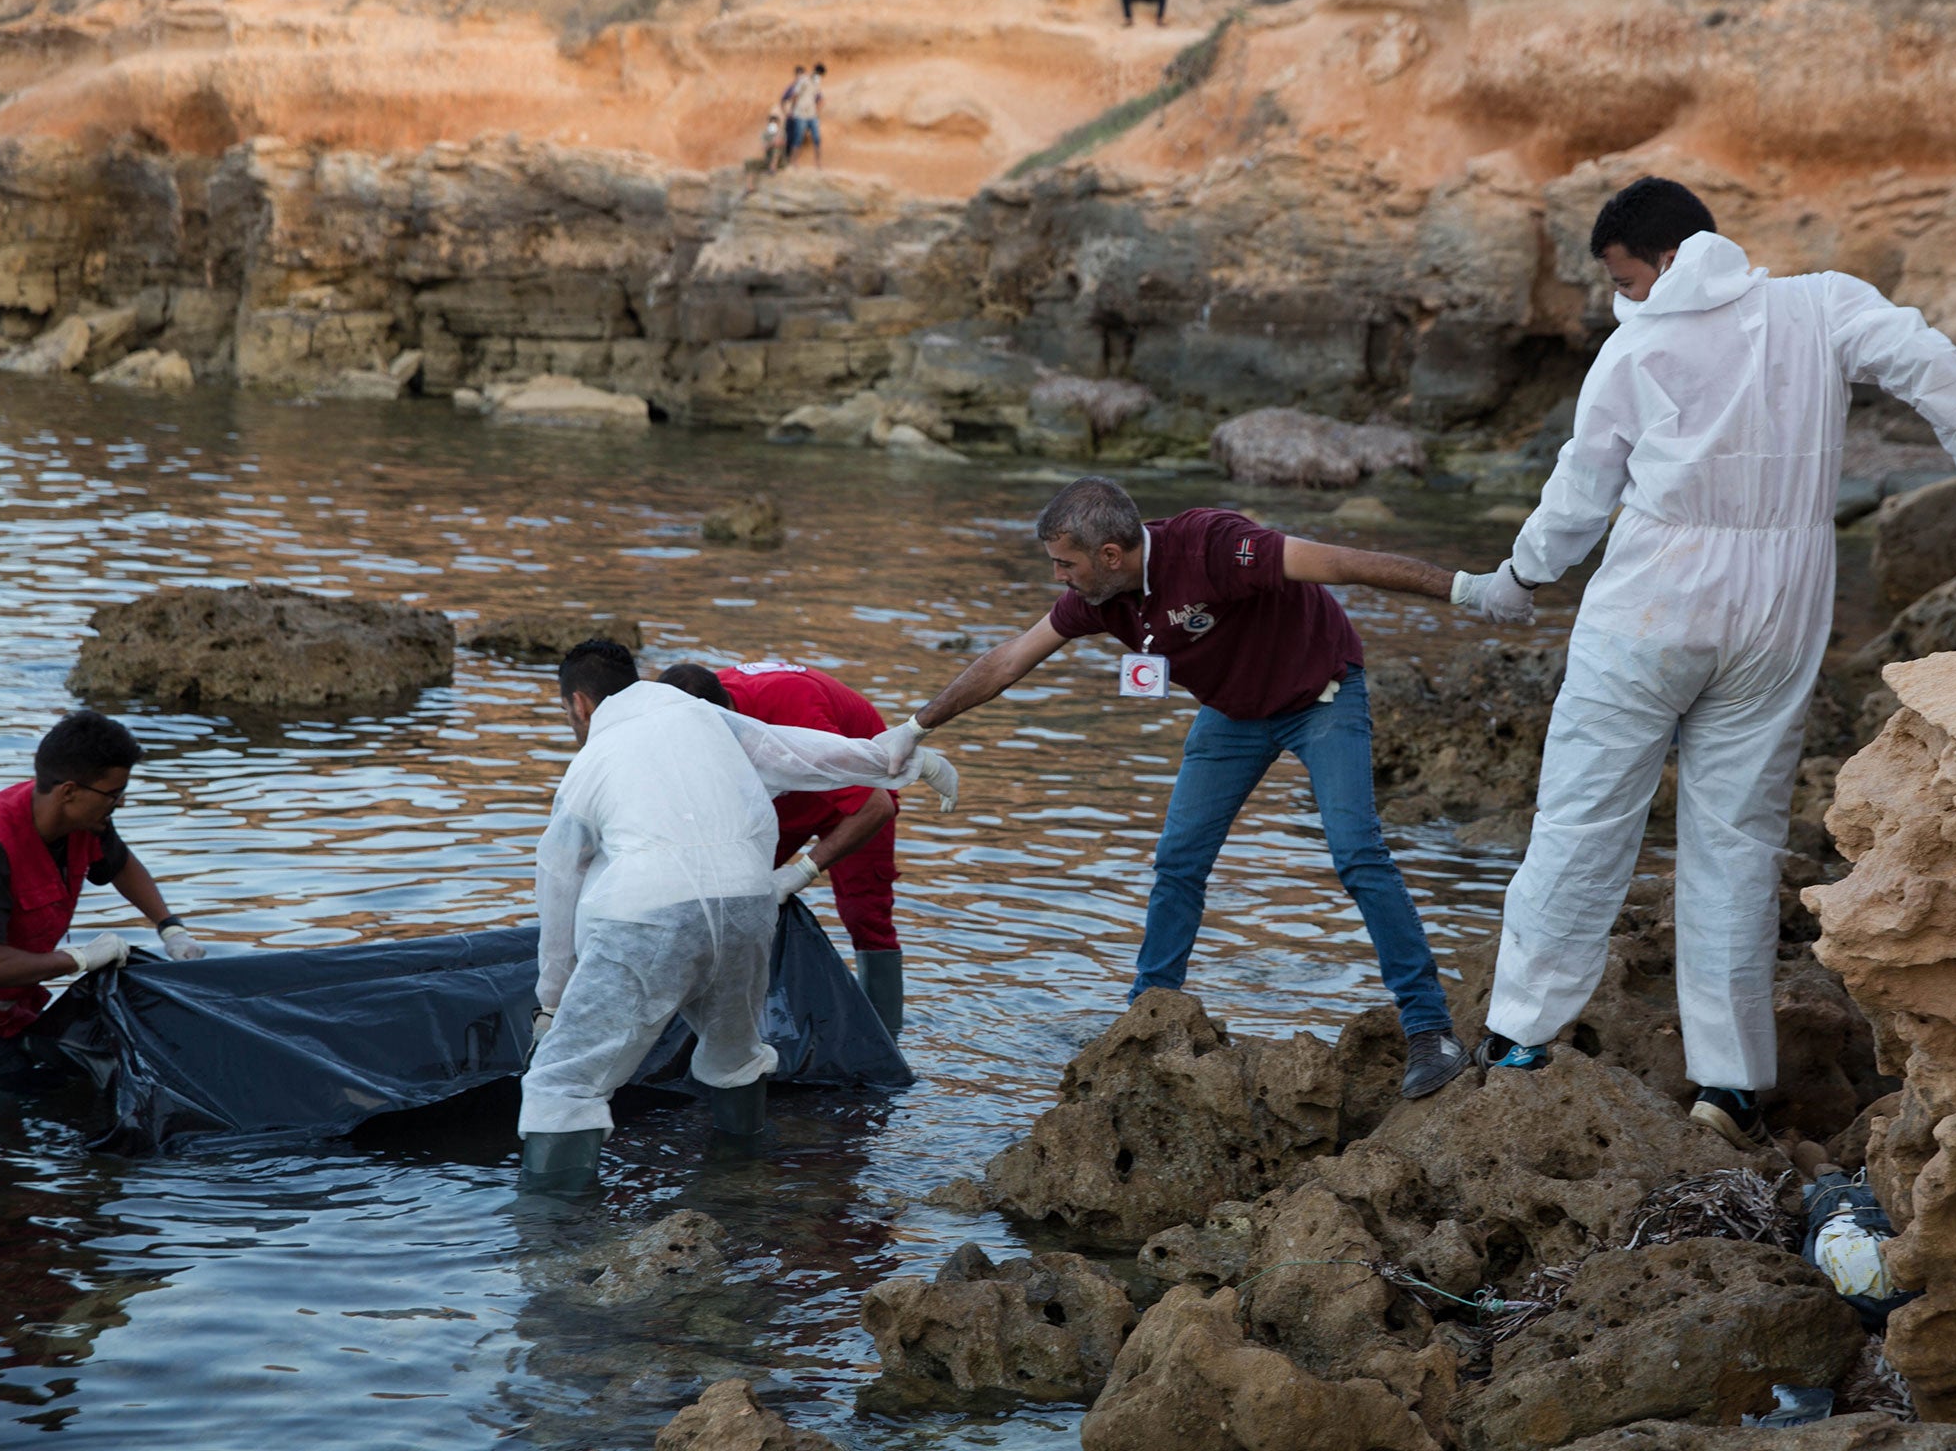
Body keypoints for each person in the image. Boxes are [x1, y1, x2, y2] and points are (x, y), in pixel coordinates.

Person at [1477, 175, 1956, 1149]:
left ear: (1666, 257)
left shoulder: (1636, 348)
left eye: (1624, 276)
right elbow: (1919, 352)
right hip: (1775, 619)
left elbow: (1577, 493)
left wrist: (1520, 572)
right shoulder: (1817, 304)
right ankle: (1724, 1089)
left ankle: (1518, 1036)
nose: (1621, 297)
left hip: (1647, 615)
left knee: (1580, 824)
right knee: (1733, 843)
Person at [869, 477, 1524, 1101]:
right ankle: (1147, 1021)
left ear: (1110, 554)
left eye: (1065, 565)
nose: (1058, 578)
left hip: (1320, 694)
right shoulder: (1100, 599)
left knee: (1356, 852)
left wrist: (1469, 590)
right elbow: (1008, 659)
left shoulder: (1215, 546)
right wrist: (914, 727)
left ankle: (1431, 1032)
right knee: (1178, 862)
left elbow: (1342, 562)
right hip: (1234, 714)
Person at [519, 640, 957, 1195]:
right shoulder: (706, 715)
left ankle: (550, 1235)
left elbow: (558, 884)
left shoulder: (589, 764)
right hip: (750, 903)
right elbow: (803, 753)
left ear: (580, 705)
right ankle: (743, 1184)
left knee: (564, 1084)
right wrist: (912, 762)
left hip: (648, 919)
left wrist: (551, 1002)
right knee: (736, 1055)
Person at [658, 661, 908, 1038]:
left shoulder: (797, 717)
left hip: (855, 789)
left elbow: (876, 808)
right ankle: (711, 1022)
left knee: (865, 915)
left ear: (727, 718)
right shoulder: (679, 708)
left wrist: (801, 872)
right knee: (727, 895)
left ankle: (887, 1041)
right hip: (780, 792)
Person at [0, 710, 205, 1089]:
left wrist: (170, 928)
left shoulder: (82, 821)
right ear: (69, 792)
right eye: (113, 794)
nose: (120, 804)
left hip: (8, 1011)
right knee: (33, 1100)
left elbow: (121, 864)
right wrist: (79, 959)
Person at [784, 63, 824, 167]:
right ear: (814, 70)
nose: (818, 76)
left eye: (820, 75)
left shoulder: (817, 83)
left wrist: (817, 112)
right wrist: (792, 110)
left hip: (811, 115)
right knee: (798, 139)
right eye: (818, 73)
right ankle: (794, 162)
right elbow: (794, 95)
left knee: (817, 139)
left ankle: (818, 163)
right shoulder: (803, 80)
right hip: (800, 114)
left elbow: (820, 98)